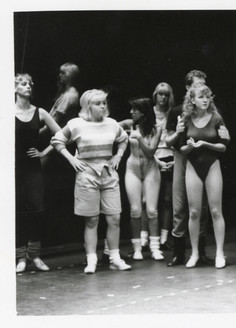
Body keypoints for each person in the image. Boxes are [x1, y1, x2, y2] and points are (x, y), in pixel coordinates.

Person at [51, 89, 132, 274]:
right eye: (98, 103)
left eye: (104, 102)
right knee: (92, 220)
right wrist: (72, 159)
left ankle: (115, 258)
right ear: (88, 106)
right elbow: (57, 140)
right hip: (87, 174)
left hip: (108, 174)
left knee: (115, 218)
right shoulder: (76, 124)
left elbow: (123, 139)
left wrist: (118, 156)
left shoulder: (112, 124)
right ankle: (92, 260)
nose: (103, 106)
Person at [165, 70, 229, 266]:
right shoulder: (180, 115)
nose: (205, 98)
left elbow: (225, 143)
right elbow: (175, 144)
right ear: (190, 95)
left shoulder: (216, 116)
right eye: (200, 93)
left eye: (207, 94)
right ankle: (186, 253)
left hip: (210, 163)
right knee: (187, 209)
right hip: (187, 161)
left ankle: (212, 253)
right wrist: (185, 142)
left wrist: (206, 145)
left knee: (212, 210)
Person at [15, 73, 61, 272]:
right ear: (14, 88)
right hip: (14, 170)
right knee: (17, 211)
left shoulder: (40, 112)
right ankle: (20, 257)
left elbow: (62, 135)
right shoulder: (6, 111)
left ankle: (34, 255)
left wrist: (44, 152)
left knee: (37, 210)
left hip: (33, 168)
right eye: (23, 84)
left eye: (29, 84)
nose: (27, 87)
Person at [120, 98, 164, 261]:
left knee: (151, 210)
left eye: (135, 110)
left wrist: (138, 138)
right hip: (133, 169)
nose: (131, 112)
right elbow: (108, 126)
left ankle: (155, 248)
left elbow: (151, 152)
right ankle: (137, 248)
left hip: (150, 168)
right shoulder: (128, 124)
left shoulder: (155, 129)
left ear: (143, 112)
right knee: (135, 210)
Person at [152, 82, 176, 248]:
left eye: (166, 94)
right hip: (153, 157)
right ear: (155, 95)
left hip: (170, 157)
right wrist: (156, 160)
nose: (163, 97)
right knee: (151, 200)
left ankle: (164, 237)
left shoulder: (172, 114)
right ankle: (148, 239)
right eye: (160, 93)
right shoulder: (149, 113)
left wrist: (173, 160)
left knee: (167, 199)